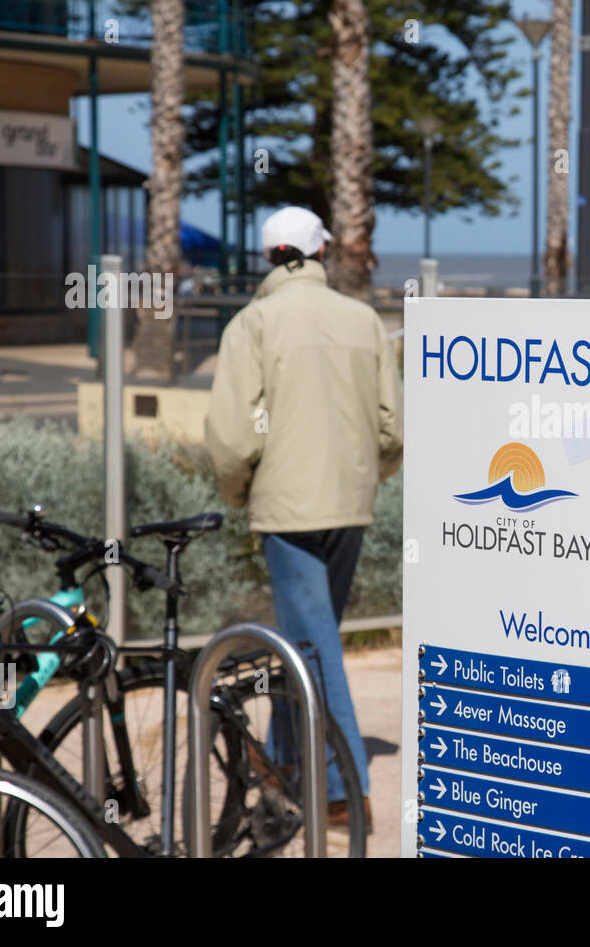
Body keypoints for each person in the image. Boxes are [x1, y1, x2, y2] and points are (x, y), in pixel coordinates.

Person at [204, 205, 403, 832]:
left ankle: (345, 794)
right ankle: (287, 761)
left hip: (288, 508)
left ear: (268, 258)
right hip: (350, 505)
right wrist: (365, 475)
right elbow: (391, 429)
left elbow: (234, 438)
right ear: (320, 253)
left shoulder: (252, 323)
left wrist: (240, 493)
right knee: (307, 643)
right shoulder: (363, 320)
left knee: (312, 650)